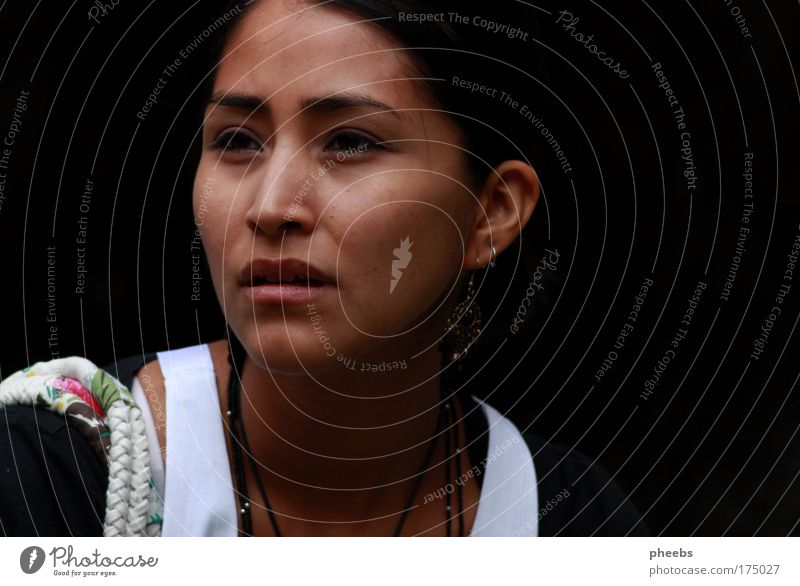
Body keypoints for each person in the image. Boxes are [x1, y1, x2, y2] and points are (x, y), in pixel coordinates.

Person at [0, 0, 648, 537]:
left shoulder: (571, 521)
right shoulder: (53, 473)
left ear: (490, 214)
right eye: (236, 141)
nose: (272, 206)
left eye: (351, 142)